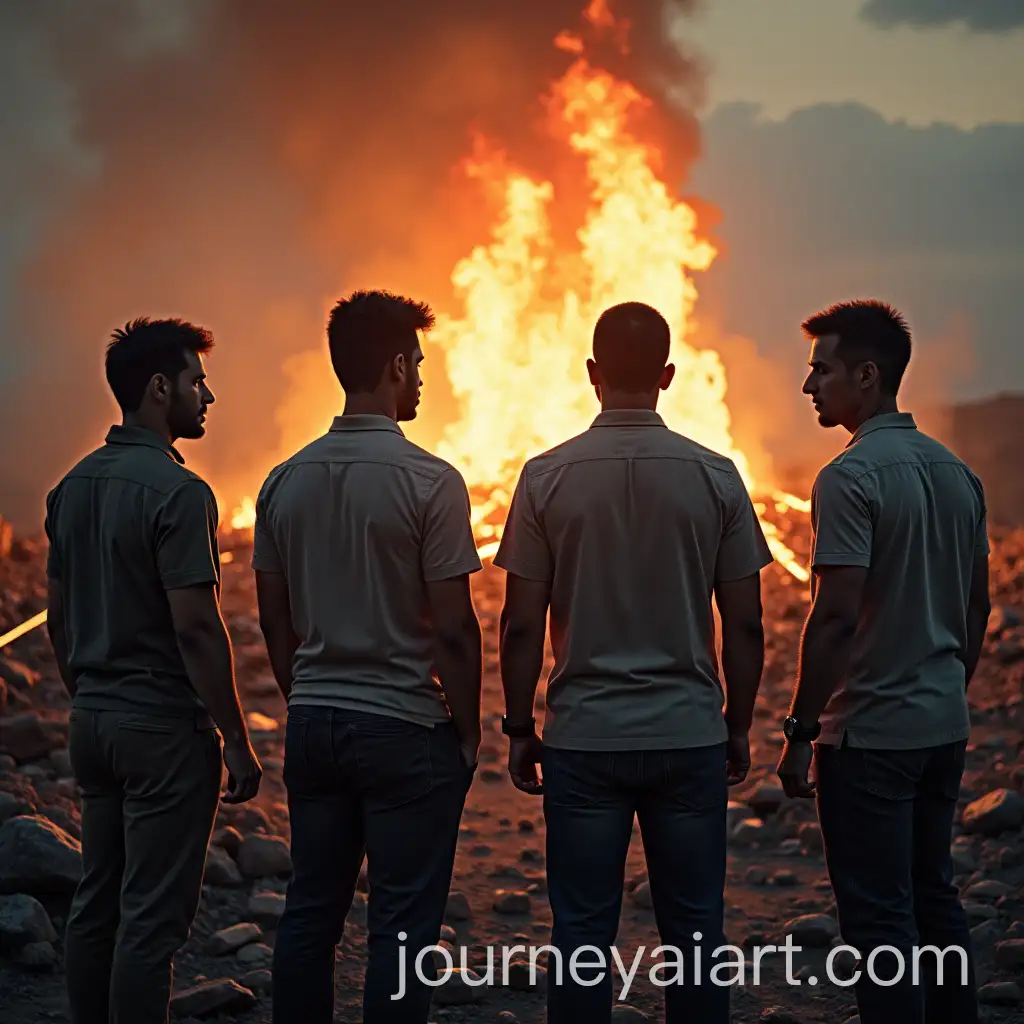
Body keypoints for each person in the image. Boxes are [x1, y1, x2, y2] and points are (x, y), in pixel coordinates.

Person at [493, 301, 773, 1024]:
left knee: (582, 933)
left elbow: (521, 622)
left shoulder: (544, 478)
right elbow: (744, 621)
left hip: (585, 738)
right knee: (696, 936)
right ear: (670, 376)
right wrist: (737, 724)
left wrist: (520, 726)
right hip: (688, 735)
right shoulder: (716, 476)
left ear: (591, 374)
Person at [255, 289, 483, 1024]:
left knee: (310, 912)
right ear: (393, 365)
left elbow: (273, 618)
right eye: (415, 363)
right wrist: (471, 727)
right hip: (407, 728)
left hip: (316, 721)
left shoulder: (283, 481)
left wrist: (307, 692)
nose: (419, 378)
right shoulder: (430, 482)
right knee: (403, 927)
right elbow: (453, 626)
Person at [44, 317, 262, 1024]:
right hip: (163, 730)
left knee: (95, 901)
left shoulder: (71, 487)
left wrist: (90, 698)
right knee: (150, 922)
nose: (208, 395)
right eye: (198, 381)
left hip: (94, 722)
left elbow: (57, 620)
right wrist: (235, 735)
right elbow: (196, 628)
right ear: (160, 388)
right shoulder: (180, 494)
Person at [777, 299, 989, 1024]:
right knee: (937, 898)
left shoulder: (849, 477)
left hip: (869, 736)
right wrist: (946, 690)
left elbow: (834, 616)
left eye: (821, 370)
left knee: (879, 922)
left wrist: (801, 731)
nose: (809, 387)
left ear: (867, 376)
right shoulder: (957, 474)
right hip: (941, 725)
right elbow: (977, 609)